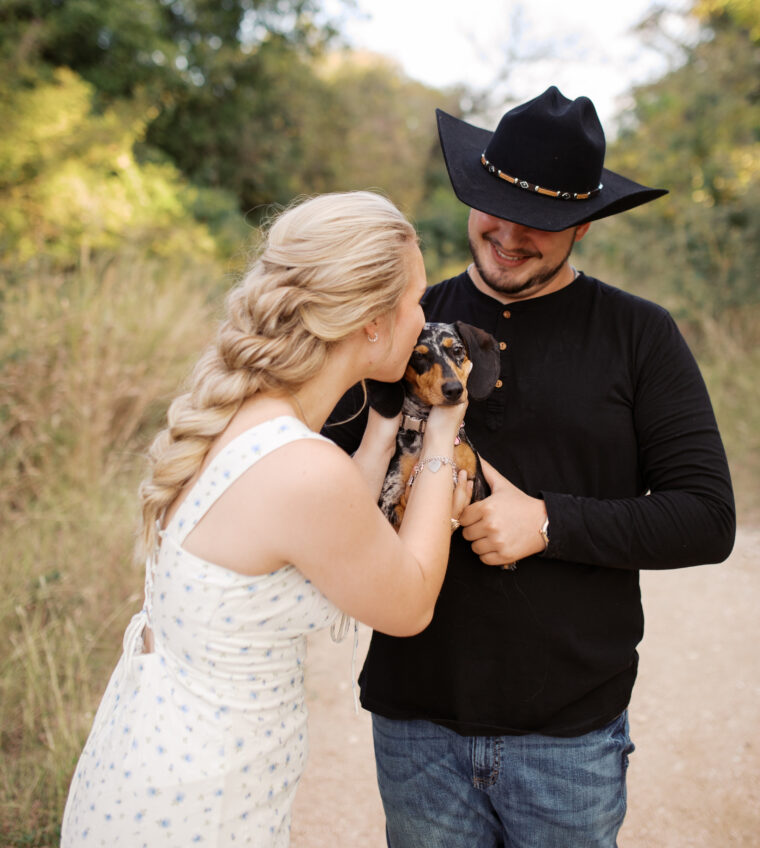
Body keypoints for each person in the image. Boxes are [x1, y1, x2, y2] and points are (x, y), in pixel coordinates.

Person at [327, 87, 736, 847]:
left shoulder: (641, 335)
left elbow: (707, 519)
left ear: (582, 222)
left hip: (570, 731)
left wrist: (547, 521)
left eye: (542, 222)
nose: (510, 236)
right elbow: (323, 476)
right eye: (495, 207)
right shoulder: (398, 326)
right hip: (416, 721)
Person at [60, 191, 471, 847]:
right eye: (416, 299)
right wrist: (444, 429)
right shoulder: (304, 471)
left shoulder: (241, 415)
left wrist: (380, 436)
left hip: (147, 769)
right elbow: (411, 600)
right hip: (203, 808)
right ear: (370, 322)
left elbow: (322, 523)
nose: (424, 317)